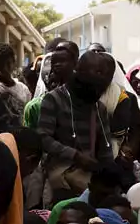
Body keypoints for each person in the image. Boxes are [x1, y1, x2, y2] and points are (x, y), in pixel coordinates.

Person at [37, 50, 116, 198]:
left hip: (90, 177)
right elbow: (43, 138)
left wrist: (109, 173)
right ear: (80, 72)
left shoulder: (99, 108)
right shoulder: (53, 100)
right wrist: (76, 156)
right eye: (98, 73)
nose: (102, 81)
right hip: (61, 177)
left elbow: (106, 151)